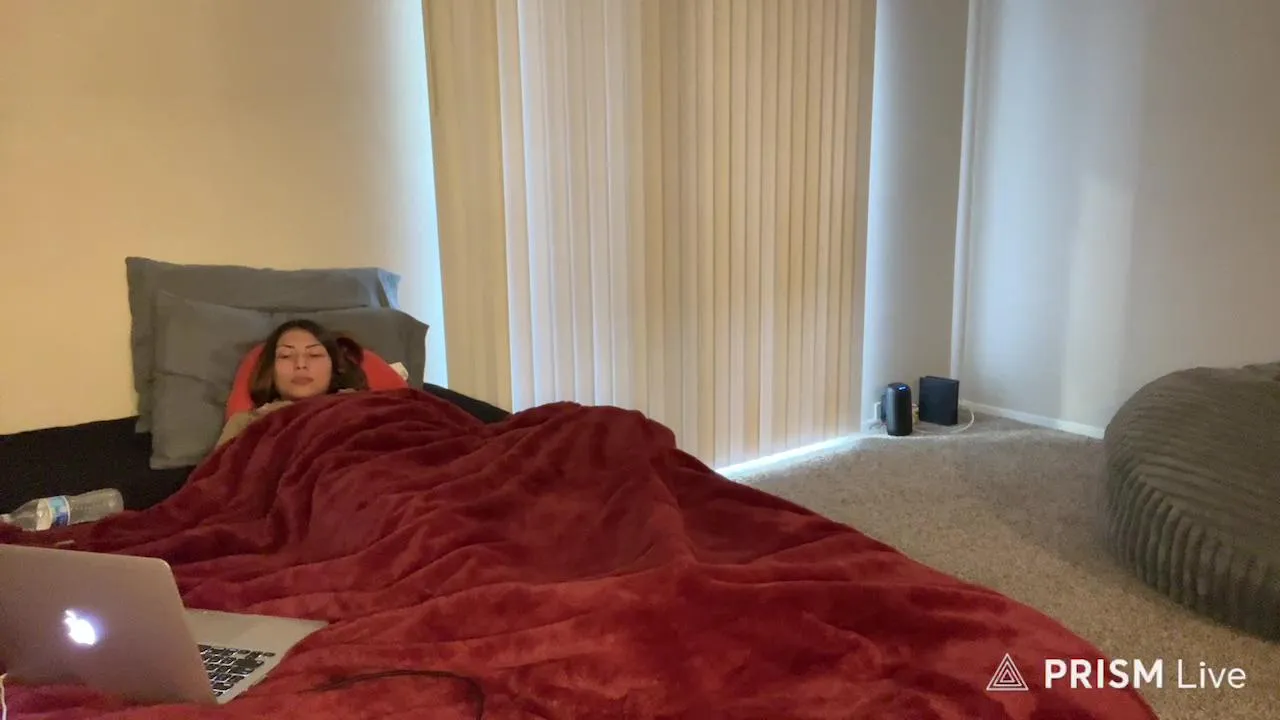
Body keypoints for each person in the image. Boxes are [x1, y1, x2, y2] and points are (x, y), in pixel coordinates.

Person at [215, 319, 369, 448]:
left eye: (314, 355)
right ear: (271, 370)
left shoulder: (360, 407)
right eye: (286, 356)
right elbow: (218, 471)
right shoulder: (245, 423)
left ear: (334, 367)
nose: (300, 364)